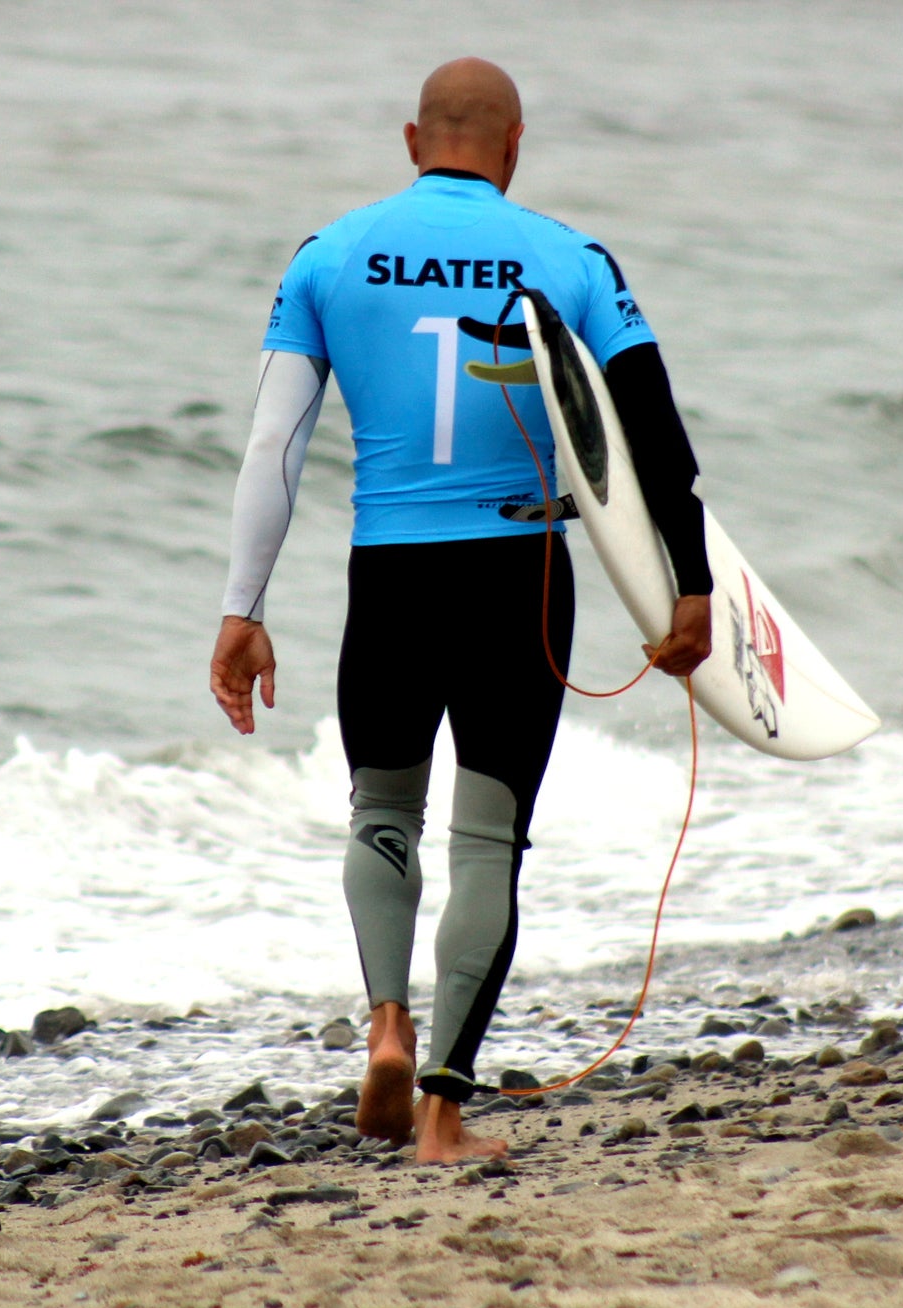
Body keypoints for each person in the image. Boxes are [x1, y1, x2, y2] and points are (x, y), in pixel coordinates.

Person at [208, 58, 715, 1164]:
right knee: (489, 841)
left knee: (380, 815)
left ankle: (385, 1025)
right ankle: (442, 1110)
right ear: (515, 146)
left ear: (411, 141)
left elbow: (273, 446)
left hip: (389, 575)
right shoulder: (574, 260)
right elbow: (652, 433)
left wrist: (242, 607)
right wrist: (690, 584)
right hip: (517, 577)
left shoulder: (329, 254)